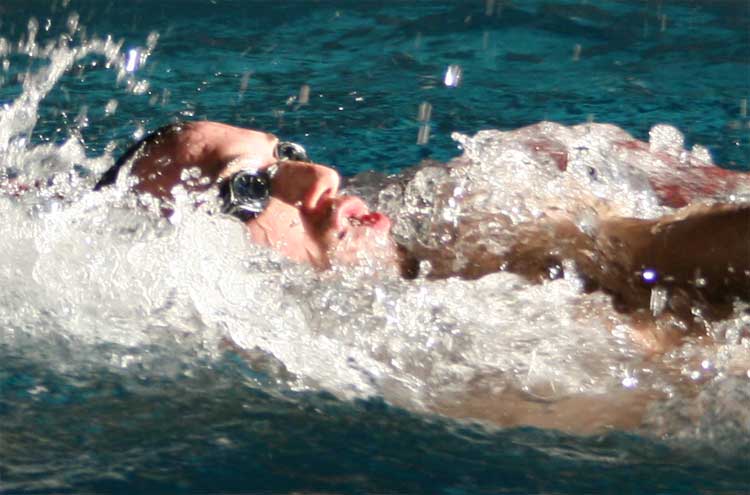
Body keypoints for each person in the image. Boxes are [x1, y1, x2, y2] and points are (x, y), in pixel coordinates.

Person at [96, 120, 750, 351]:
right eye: (249, 186)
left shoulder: (478, 212)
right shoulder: (367, 360)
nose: (321, 175)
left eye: (286, 151)